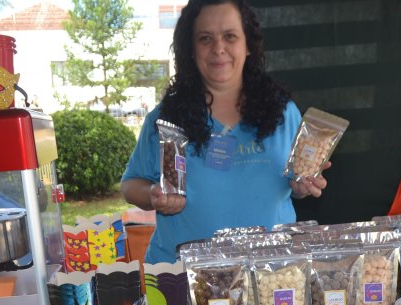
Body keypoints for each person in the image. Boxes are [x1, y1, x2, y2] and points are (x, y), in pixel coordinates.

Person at [121, 0, 327, 263]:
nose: (218, 48)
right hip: (181, 274)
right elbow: (130, 185)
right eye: (205, 38)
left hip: (270, 274)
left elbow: (293, 183)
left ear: (248, 45)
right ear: (191, 48)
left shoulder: (283, 112)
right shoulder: (167, 118)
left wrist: (303, 186)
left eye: (230, 36)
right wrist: (152, 195)